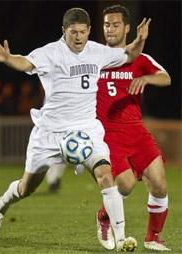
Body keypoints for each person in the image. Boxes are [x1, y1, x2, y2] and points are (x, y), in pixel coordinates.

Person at [0, 7, 150, 251]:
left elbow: (129, 55)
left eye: (83, 32)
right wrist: (9, 59)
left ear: (89, 31)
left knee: (106, 175)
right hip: (50, 133)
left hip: (86, 129)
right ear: (64, 31)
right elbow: (26, 62)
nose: (79, 37)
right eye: (73, 32)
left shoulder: (97, 51)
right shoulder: (50, 53)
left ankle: (121, 237)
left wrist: (140, 39)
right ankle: (1, 206)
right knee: (26, 187)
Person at [95, 4, 171, 251]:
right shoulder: (94, 57)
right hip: (108, 134)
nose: (110, 29)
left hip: (136, 130)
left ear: (127, 27)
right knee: (125, 186)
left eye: (116, 24)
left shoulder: (139, 59)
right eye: (107, 24)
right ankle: (104, 216)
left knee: (159, 184)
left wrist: (147, 78)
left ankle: (153, 238)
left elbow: (166, 77)